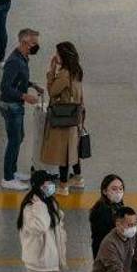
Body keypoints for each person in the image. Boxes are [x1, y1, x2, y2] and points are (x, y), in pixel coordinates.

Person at [65, 175, 128, 272]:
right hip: (105, 257)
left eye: (121, 188)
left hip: (113, 255)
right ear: (104, 191)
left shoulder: (116, 205)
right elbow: (113, 233)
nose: (118, 192)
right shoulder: (102, 211)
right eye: (114, 189)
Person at [0, 29, 43, 191]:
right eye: (34, 43)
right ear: (24, 42)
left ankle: (13, 170)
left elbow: (19, 79)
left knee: (19, 137)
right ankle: (7, 178)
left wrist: (32, 85)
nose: (37, 46)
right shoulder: (14, 61)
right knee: (14, 140)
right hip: (11, 106)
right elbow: (5, 87)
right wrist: (25, 96)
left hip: (16, 105)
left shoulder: (23, 58)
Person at [41, 41, 85, 194]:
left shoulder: (64, 74)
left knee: (63, 152)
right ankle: (78, 178)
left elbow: (52, 91)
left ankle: (63, 185)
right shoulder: (77, 71)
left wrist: (51, 72)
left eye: (57, 53)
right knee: (73, 149)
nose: (55, 56)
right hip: (75, 116)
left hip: (63, 117)